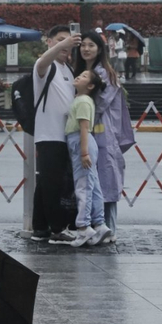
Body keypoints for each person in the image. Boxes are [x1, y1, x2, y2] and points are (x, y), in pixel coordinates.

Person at [74, 30, 135, 240]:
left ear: (100, 49)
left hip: (103, 131)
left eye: (91, 45)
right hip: (88, 131)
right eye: (83, 45)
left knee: (106, 178)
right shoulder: (82, 71)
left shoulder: (105, 74)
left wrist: (78, 112)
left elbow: (98, 105)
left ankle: (108, 228)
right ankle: (92, 226)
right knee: (90, 179)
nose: (86, 49)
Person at [31, 25, 80, 245]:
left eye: (68, 42)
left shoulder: (68, 69)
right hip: (49, 134)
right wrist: (63, 44)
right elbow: (42, 62)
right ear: (49, 42)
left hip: (65, 135)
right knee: (53, 184)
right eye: (60, 40)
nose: (65, 45)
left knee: (46, 183)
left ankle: (40, 227)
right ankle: (57, 229)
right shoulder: (44, 66)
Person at [65, 68, 111, 247]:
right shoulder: (83, 99)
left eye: (84, 76)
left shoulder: (83, 100)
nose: (78, 76)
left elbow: (84, 128)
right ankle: (99, 224)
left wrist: (83, 153)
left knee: (83, 185)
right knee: (93, 185)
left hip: (80, 141)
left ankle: (83, 227)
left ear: (90, 85)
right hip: (83, 142)